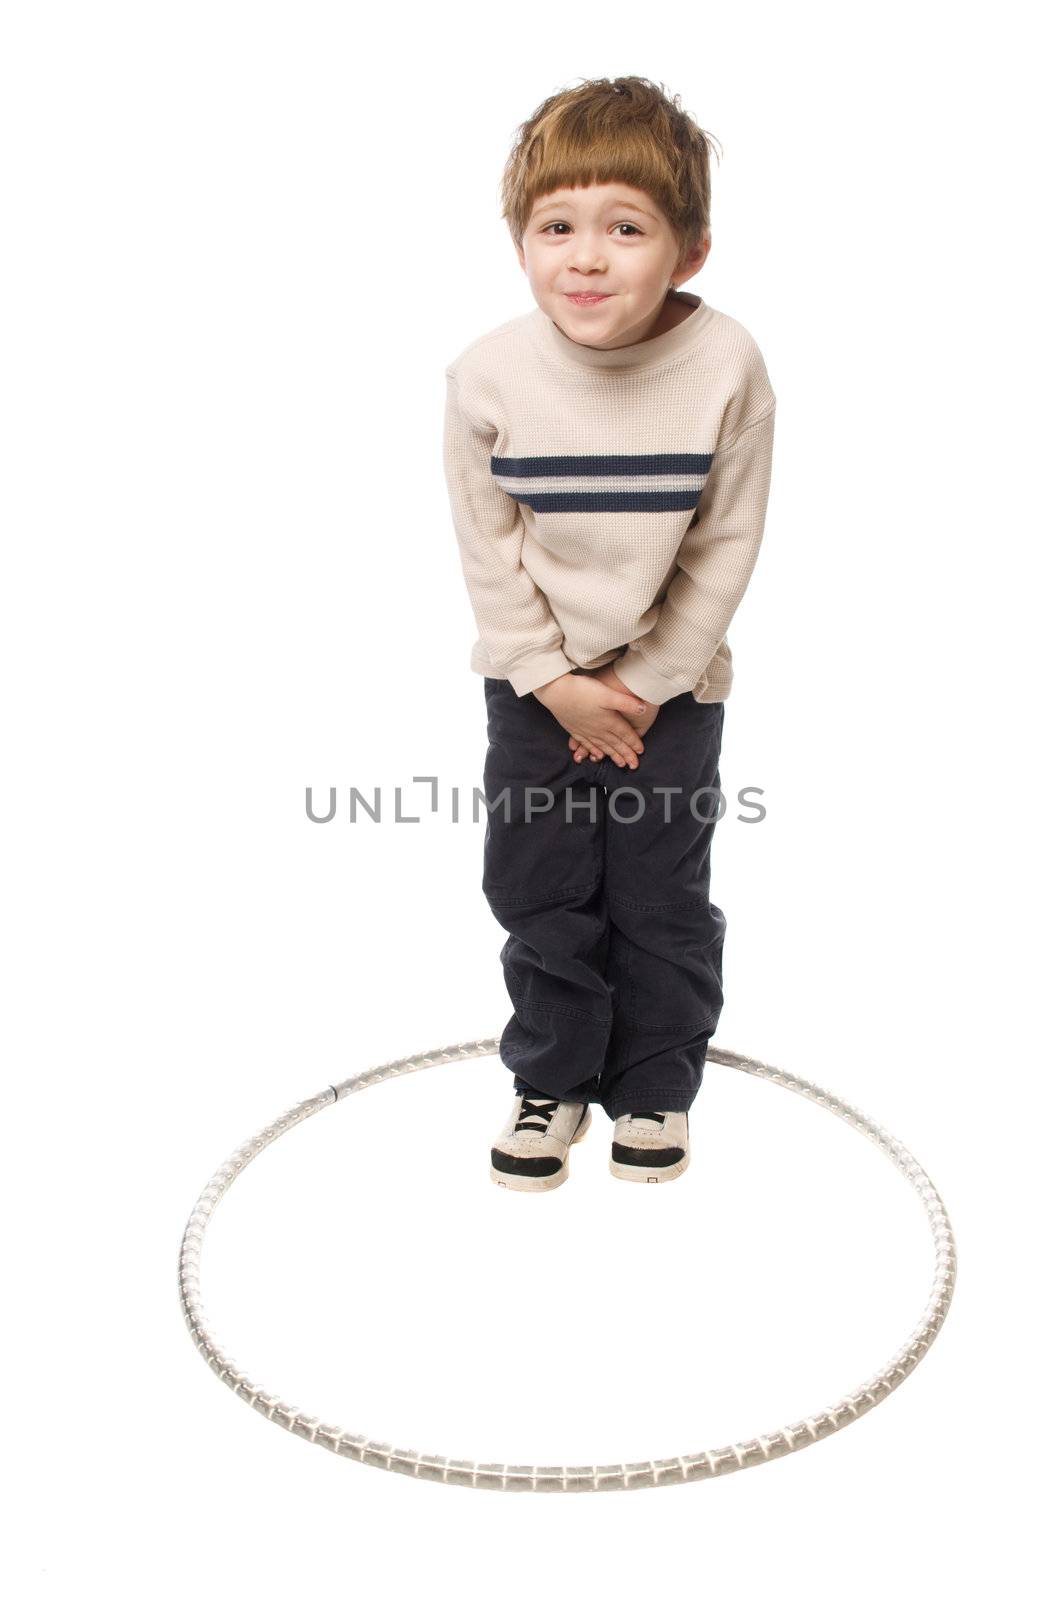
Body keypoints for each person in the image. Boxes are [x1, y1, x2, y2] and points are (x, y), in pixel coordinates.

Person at [441, 76, 776, 1191]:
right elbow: (488, 549)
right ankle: (554, 1077)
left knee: (657, 893)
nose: (585, 257)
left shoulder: (725, 367)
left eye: (624, 228)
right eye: (557, 227)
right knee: (539, 886)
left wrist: (644, 681)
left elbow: (724, 543)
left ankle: (653, 1086)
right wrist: (552, 680)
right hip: (535, 686)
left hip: (669, 691)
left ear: (689, 250)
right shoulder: (487, 376)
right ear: (520, 240)